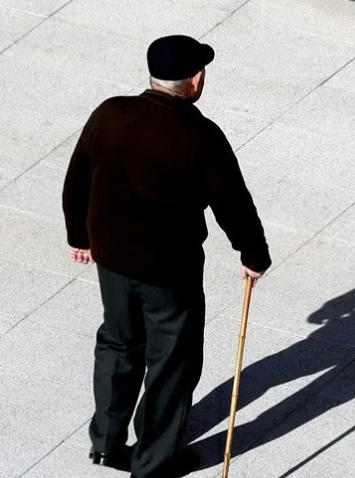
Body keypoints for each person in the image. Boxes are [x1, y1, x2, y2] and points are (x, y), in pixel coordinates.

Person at [62, 35, 272, 478]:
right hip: (168, 272)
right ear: (195, 80)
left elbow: (78, 177)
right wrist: (254, 254)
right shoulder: (202, 135)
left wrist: (79, 236)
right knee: (171, 362)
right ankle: (154, 462)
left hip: (112, 261)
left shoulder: (110, 112)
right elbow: (233, 204)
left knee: (118, 343)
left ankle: (106, 444)